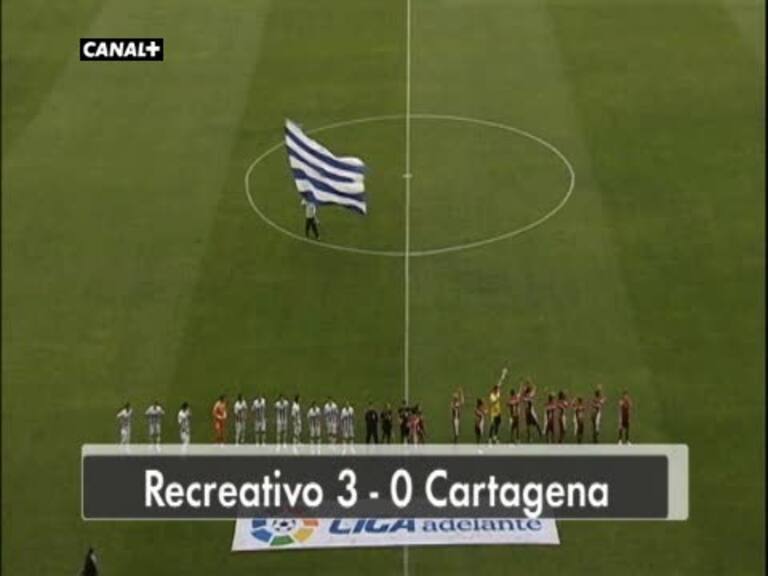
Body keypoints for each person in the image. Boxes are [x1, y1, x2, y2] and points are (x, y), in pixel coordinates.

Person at [488, 368, 507, 444]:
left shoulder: (497, 393)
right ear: (494, 390)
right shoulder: (492, 395)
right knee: (492, 425)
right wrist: (497, 398)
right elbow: (493, 402)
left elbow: (500, 383)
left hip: (498, 412)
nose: (497, 391)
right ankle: (490, 438)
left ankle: (495, 437)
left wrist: (503, 374)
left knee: (497, 425)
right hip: (493, 413)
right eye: (496, 390)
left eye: (497, 390)